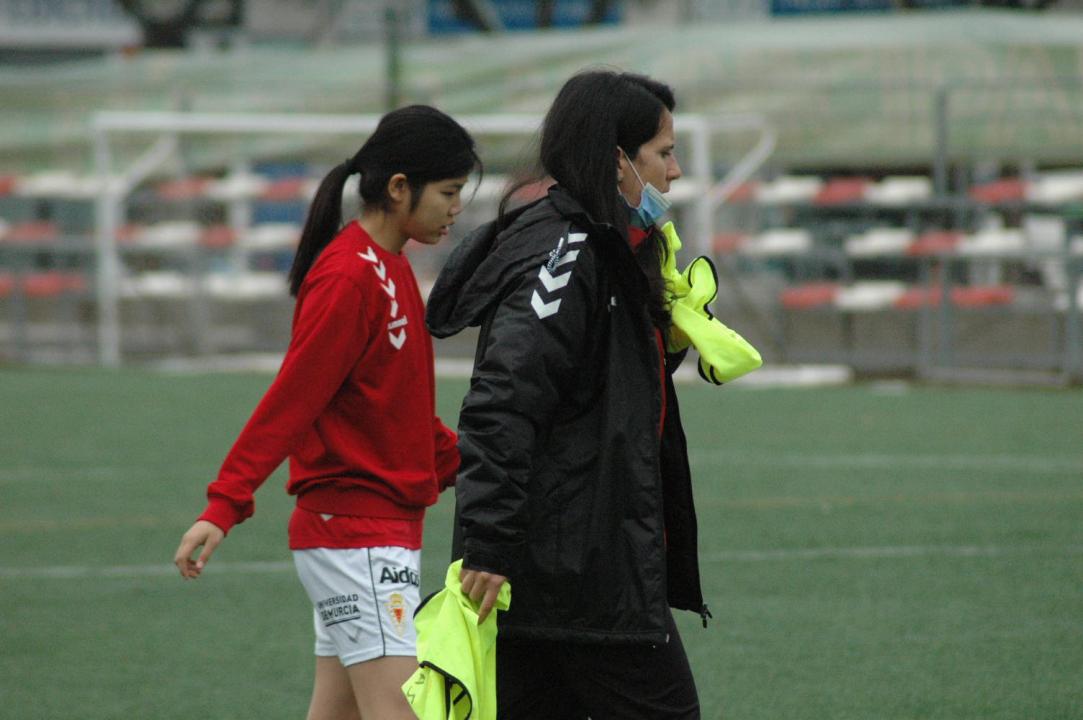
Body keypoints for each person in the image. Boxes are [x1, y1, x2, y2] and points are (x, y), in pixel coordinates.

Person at [173, 104, 480, 720]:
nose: (456, 209)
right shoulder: (348, 277)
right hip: (356, 540)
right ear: (400, 188)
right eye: (448, 193)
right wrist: (224, 504)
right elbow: (291, 402)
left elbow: (401, 413)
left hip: (370, 537)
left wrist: (481, 469)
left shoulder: (390, 267)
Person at [426, 70, 706, 719]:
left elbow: (598, 388)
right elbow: (504, 400)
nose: (675, 172)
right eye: (663, 153)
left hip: (569, 570)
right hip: (573, 575)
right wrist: (488, 543)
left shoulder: (613, 246)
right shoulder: (566, 251)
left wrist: (667, 333)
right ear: (616, 159)